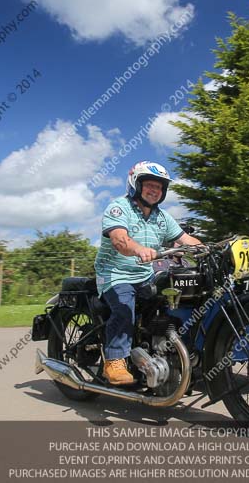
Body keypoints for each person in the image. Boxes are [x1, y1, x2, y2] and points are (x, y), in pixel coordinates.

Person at [94, 161, 201, 385]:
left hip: (145, 274)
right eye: (149, 185)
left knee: (179, 299)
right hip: (115, 274)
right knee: (125, 307)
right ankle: (114, 361)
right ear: (136, 184)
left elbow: (185, 239)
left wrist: (207, 249)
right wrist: (139, 249)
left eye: (159, 187)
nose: (155, 191)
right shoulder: (119, 207)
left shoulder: (162, 217)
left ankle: (168, 353)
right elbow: (119, 239)